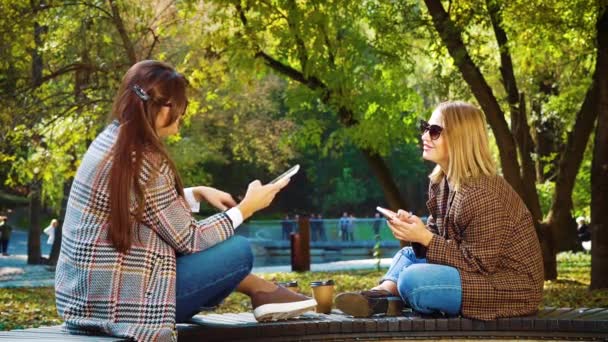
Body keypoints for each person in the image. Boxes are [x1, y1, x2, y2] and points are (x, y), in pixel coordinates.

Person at [55, 61, 316, 342]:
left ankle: (262, 291)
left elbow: (139, 203)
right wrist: (246, 208)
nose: (180, 120)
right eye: (180, 111)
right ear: (163, 107)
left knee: (221, 254)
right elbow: (190, 240)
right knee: (239, 251)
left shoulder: (111, 141)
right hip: (128, 308)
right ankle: (263, 291)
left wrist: (196, 192)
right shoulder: (145, 161)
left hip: (83, 301)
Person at [335, 101, 544, 320]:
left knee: (413, 281)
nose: (425, 136)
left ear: (459, 139)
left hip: (508, 287)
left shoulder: (484, 193)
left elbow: (479, 265)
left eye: (434, 131)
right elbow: (439, 241)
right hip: (474, 274)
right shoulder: (442, 182)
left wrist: (426, 238)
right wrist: (415, 230)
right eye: (425, 127)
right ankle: (379, 298)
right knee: (408, 254)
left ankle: (389, 300)